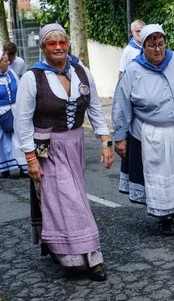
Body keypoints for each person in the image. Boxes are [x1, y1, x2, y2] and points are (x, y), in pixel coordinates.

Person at [14, 24, 114, 281]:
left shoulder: (81, 72)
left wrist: (106, 141)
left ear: (68, 44)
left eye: (62, 42)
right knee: (71, 199)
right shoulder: (32, 78)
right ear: (43, 48)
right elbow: (22, 120)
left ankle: (55, 243)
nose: (58, 47)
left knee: (62, 197)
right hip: (46, 145)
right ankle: (90, 256)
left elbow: (95, 109)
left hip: (75, 143)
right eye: (51, 43)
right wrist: (30, 158)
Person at [111, 24, 174, 235]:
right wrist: (119, 137)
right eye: (152, 45)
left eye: (161, 44)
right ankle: (164, 217)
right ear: (143, 47)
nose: (157, 49)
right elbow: (121, 105)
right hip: (153, 134)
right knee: (160, 174)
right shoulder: (133, 71)